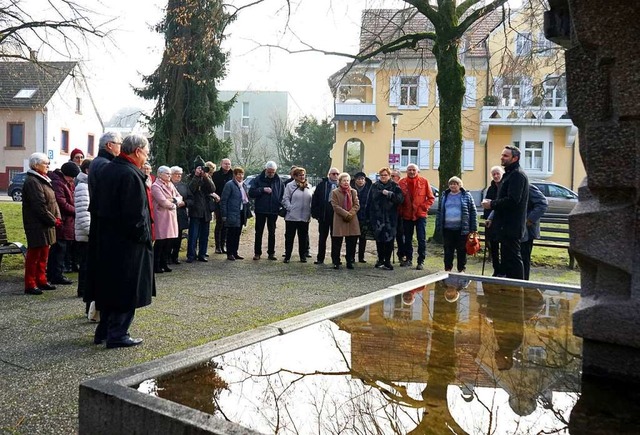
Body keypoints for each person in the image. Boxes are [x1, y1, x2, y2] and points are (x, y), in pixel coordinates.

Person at [91, 134, 155, 349]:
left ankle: (104, 331)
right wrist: (145, 238)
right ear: (137, 151)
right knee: (127, 288)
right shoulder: (129, 175)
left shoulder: (108, 169)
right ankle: (118, 334)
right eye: (146, 153)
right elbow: (135, 215)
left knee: (109, 287)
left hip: (107, 240)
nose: (146, 158)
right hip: (128, 245)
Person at [481, 146, 529, 279]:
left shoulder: (517, 175)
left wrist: (492, 204)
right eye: (502, 155)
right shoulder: (508, 174)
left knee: (513, 259)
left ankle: (519, 287)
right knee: (507, 259)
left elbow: (513, 200)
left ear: (515, 158)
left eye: (506, 156)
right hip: (504, 225)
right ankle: (510, 286)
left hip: (512, 225)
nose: (502, 157)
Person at [21, 153, 61, 295]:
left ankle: (41, 280)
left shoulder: (43, 179)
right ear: (36, 165)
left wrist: (57, 217)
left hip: (45, 224)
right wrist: (53, 220)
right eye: (45, 163)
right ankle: (30, 284)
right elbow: (39, 206)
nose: (48, 166)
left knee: (44, 254)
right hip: (37, 224)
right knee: (35, 255)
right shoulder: (33, 181)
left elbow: (53, 202)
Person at [46, 161, 79, 285]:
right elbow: (62, 203)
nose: (73, 179)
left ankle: (55, 273)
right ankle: (55, 275)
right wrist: (76, 211)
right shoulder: (59, 183)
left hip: (66, 221)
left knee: (60, 249)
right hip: (62, 221)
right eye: (72, 176)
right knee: (59, 248)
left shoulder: (65, 182)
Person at [398, 163, 436, 270]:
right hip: (407, 215)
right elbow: (399, 198)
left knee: (421, 238)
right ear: (406, 171)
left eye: (413, 170)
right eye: (409, 170)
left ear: (417, 171)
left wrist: (424, 207)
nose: (411, 172)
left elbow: (430, 198)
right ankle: (408, 259)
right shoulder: (402, 182)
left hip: (420, 215)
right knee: (408, 238)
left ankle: (421, 261)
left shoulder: (424, 182)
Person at [437, 176, 478, 273]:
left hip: (462, 229)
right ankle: (447, 269)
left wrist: (473, 228)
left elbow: (473, 211)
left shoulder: (467, 196)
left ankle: (461, 269)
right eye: (451, 184)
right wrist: (439, 225)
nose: (453, 186)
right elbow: (440, 211)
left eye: (455, 184)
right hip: (447, 229)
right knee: (448, 250)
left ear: (460, 185)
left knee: (461, 250)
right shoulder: (444, 195)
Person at [366, 167, 404, 270]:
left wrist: (389, 194)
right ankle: (380, 259)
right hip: (377, 217)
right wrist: (368, 217)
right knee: (379, 240)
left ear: (389, 176)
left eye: (385, 175)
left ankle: (387, 261)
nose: (383, 177)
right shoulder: (374, 186)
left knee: (389, 240)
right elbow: (369, 201)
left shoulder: (395, 186)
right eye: (382, 175)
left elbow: (400, 199)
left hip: (390, 218)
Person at [249, 161, 284, 261]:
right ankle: (257, 253)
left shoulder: (279, 181)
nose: (271, 174)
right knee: (258, 232)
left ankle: (271, 253)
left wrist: (280, 205)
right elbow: (251, 193)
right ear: (265, 170)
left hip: (273, 210)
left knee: (272, 232)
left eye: (273, 172)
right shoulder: (258, 179)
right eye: (269, 172)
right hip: (261, 210)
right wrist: (262, 190)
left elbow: (282, 194)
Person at [151, 166, 182, 273]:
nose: (169, 176)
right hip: (161, 217)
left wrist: (173, 200)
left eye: (170, 174)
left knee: (169, 241)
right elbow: (162, 201)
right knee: (160, 242)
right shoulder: (155, 186)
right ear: (160, 174)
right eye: (167, 174)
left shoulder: (171, 185)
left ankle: (164, 263)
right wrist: (174, 204)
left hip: (171, 216)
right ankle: (156, 265)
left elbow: (180, 197)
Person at [185, 159, 215, 263]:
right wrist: (197, 176)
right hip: (195, 210)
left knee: (204, 235)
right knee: (193, 235)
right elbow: (190, 190)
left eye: (202, 168)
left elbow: (212, 189)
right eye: (199, 168)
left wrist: (206, 177)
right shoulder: (190, 177)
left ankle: (202, 254)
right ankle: (191, 255)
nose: (201, 170)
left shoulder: (207, 177)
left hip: (206, 210)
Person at [282, 167, 313, 263]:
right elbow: (285, 199)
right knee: (289, 237)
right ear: (295, 176)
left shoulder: (309, 186)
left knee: (303, 238)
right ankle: (287, 256)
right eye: (300, 175)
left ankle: (302, 256)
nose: (302, 177)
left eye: (303, 175)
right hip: (292, 217)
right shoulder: (289, 186)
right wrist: (290, 208)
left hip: (304, 217)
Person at [330, 173, 360, 270]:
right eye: (344, 180)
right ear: (340, 181)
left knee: (351, 241)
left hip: (352, 219)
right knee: (337, 242)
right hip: (340, 219)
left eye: (347, 180)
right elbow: (335, 206)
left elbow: (357, 205)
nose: (346, 182)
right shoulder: (335, 192)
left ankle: (350, 260)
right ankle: (336, 261)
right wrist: (345, 214)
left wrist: (350, 214)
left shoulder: (353, 192)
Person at [311, 167, 340, 264]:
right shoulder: (322, 185)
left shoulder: (341, 185)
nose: (335, 175)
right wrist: (316, 213)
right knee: (322, 238)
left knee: (336, 238)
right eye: (333, 174)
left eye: (337, 174)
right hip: (324, 216)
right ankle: (320, 258)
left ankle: (336, 259)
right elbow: (315, 199)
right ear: (329, 175)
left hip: (336, 217)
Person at [220, 167, 250, 261]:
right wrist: (224, 214)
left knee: (237, 233)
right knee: (231, 234)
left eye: (242, 174)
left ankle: (235, 252)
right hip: (232, 213)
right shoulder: (229, 185)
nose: (240, 176)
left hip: (241, 212)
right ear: (234, 175)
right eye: (238, 174)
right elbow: (224, 200)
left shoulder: (243, 185)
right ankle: (230, 253)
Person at [521, 184, 548, 280]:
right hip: (516, 230)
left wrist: (530, 220)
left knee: (524, 258)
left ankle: (524, 282)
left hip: (527, 231)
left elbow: (542, 204)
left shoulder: (528, 187)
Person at [74, 159, 92, 302]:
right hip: (86, 233)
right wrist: (90, 231)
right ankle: (83, 290)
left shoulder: (89, 185)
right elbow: (83, 212)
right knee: (85, 264)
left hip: (88, 232)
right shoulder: (83, 187)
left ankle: (87, 289)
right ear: (87, 171)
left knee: (88, 263)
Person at [483, 166, 505, 276]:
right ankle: (496, 269)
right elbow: (487, 204)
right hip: (492, 222)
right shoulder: (491, 188)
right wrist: (488, 218)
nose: (496, 176)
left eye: (498, 174)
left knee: (505, 248)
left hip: (503, 222)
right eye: (494, 174)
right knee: (493, 247)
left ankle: (504, 270)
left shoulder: (505, 186)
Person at [88, 132, 122, 197]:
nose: (121, 148)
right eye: (119, 144)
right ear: (109, 145)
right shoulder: (106, 164)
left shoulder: (96, 161)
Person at [169, 166, 189, 264]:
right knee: (169, 238)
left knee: (178, 237)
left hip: (180, 214)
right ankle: (167, 256)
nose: (178, 176)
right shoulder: (167, 185)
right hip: (169, 214)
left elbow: (191, 199)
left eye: (180, 174)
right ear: (171, 175)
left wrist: (185, 203)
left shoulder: (184, 186)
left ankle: (175, 256)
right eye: (176, 174)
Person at [350, 171, 372, 263]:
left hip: (365, 216)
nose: (360, 181)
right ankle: (351, 256)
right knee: (352, 238)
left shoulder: (369, 189)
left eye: (362, 179)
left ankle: (361, 257)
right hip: (353, 217)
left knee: (363, 238)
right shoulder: (351, 189)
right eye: (359, 179)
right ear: (355, 180)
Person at [212, 158, 232, 253]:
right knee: (219, 223)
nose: (227, 165)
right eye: (225, 164)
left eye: (229, 164)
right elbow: (212, 188)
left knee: (226, 225)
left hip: (229, 203)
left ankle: (223, 245)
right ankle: (217, 246)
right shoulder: (215, 175)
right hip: (219, 201)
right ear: (221, 164)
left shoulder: (233, 174)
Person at [390, 169, 405, 262]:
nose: (391, 178)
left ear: (398, 178)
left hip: (401, 214)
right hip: (390, 214)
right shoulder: (389, 186)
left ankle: (401, 255)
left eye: (393, 176)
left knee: (400, 236)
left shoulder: (401, 186)